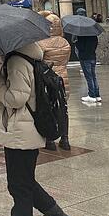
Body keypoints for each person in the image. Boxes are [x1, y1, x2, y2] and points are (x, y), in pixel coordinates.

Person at [0, 44, 77, 216]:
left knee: (20, 188)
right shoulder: (25, 56)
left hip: (21, 134)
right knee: (22, 183)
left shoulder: (17, 61)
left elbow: (15, 99)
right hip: (22, 132)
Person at [37, 13, 71, 150]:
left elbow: (39, 61)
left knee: (49, 108)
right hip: (63, 77)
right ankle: (65, 139)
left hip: (48, 78)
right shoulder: (65, 42)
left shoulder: (42, 43)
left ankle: (50, 140)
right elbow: (66, 60)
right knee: (63, 107)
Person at [72, 8, 100, 104]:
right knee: (93, 75)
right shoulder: (91, 27)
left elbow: (80, 46)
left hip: (85, 57)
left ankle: (91, 95)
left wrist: (77, 43)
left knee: (88, 76)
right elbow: (95, 42)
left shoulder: (80, 29)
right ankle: (97, 95)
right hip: (92, 55)